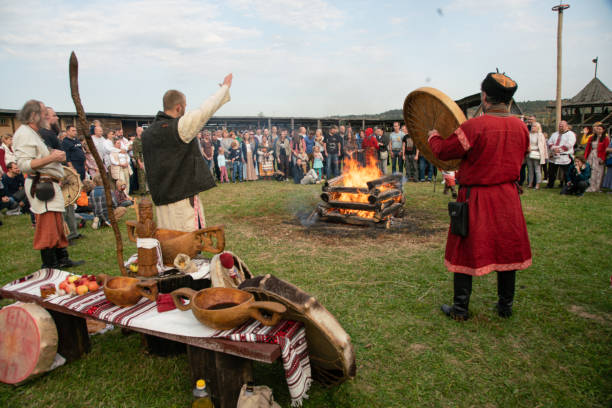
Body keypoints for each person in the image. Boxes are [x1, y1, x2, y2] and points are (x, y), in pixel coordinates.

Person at [428, 72, 531, 320]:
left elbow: (444, 151)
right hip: (507, 198)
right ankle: (505, 307)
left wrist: (432, 135)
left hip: (476, 198)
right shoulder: (521, 127)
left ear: (485, 97)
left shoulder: (474, 126)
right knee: (507, 250)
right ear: (508, 100)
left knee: (464, 249)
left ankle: (461, 310)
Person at [142, 73, 232, 231]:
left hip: (161, 199)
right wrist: (224, 89)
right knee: (187, 245)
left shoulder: (147, 133)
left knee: (168, 243)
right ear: (179, 107)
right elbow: (204, 111)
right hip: (181, 200)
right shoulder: (177, 128)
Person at [12, 99, 84, 268]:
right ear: (33, 115)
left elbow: (38, 156)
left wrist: (54, 155)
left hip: (49, 184)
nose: (47, 116)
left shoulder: (33, 133)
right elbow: (24, 164)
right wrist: (52, 157)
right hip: (42, 186)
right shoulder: (24, 134)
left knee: (57, 224)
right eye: (44, 113)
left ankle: (61, 259)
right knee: (48, 226)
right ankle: (50, 265)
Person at [547, 120, 576, 188]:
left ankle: (567, 185)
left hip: (564, 157)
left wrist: (559, 150)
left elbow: (569, 144)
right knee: (551, 172)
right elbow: (549, 142)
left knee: (566, 173)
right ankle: (550, 184)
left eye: (562, 126)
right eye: (560, 126)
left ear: (566, 126)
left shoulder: (571, 134)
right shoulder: (554, 134)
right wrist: (554, 148)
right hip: (554, 156)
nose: (561, 127)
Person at [584, 122, 609, 193]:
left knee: (598, 172)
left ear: (603, 130)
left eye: (600, 129)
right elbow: (588, 148)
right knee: (590, 171)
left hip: (599, 156)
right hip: (592, 155)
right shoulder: (592, 138)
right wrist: (585, 157)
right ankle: (589, 185)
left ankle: (596, 187)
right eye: (597, 129)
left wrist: (603, 158)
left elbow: (606, 149)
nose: (598, 130)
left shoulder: (605, 138)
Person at [526, 122, 548, 190]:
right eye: (532, 126)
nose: (533, 127)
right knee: (530, 170)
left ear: (538, 127)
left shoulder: (540, 135)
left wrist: (544, 156)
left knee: (537, 169)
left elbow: (543, 146)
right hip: (529, 154)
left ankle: (537, 184)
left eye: (535, 126)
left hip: (537, 154)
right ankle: (530, 183)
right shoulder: (529, 134)